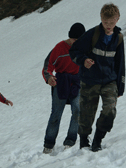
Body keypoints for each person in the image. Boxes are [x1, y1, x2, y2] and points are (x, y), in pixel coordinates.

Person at [69, 3, 125, 152]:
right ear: (101, 18)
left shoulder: (118, 38)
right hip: (90, 81)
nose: (108, 25)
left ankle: (98, 139)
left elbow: (120, 63)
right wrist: (84, 60)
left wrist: (121, 86)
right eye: (106, 22)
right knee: (87, 112)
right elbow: (74, 51)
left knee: (110, 109)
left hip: (110, 81)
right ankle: (83, 140)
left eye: (112, 22)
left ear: (117, 19)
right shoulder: (92, 34)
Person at [42, 23, 86, 154]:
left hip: (77, 82)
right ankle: (48, 145)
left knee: (77, 110)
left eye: (78, 41)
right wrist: (49, 77)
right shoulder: (59, 48)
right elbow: (47, 66)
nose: (76, 43)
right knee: (56, 114)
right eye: (74, 40)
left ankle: (70, 141)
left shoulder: (84, 48)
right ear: (70, 37)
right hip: (60, 83)